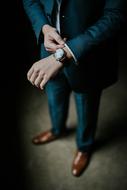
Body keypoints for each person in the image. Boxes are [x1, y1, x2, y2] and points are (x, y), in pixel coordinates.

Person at [23, 0, 126, 177]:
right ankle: (57, 130)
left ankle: (84, 147)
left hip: (88, 56)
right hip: (46, 51)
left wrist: (64, 54)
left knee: (86, 105)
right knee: (54, 97)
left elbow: (115, 15)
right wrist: (44, 28)